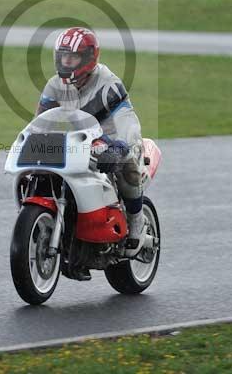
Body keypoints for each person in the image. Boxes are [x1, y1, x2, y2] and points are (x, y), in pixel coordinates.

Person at [35, 26, 148, 254]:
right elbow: (41, 122)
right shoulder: (54, 85)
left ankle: (136, 220)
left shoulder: (108, 84)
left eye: (73, 56)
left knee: (127, 162)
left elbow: (125, 121)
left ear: (88, 57)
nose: (66, 62)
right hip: (81, 138)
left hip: (113, 135)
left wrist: (120, 146)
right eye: (63, 56)